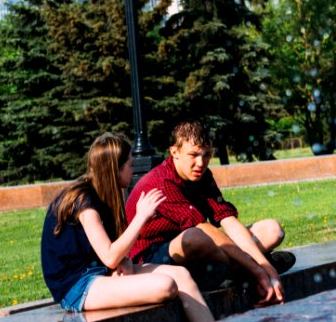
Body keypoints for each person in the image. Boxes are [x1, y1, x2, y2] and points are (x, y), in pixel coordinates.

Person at [40, 132, 214, 322]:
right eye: (130, 165)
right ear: (116, 169)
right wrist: (141, 217)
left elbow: (112, 254)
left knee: (181, 274)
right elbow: (109, 256)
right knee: (165, 285)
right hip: (77, 286)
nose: (133, 170)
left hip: (98, 273)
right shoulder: (83, 202)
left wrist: (125, 260)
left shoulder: (105, 196)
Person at [125, 120, 295, 306]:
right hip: (151, 259)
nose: (201, 163)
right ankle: (240, 270)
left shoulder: (203, 176)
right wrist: (258, 269)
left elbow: (227, 220)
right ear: (175, 152)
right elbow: (203, 230)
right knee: (194, 237)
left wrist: (265, 267)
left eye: (207, 155)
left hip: (202, 252)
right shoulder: (162, 181)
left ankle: (228, 272)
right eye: (193, 155)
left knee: (271, 230)